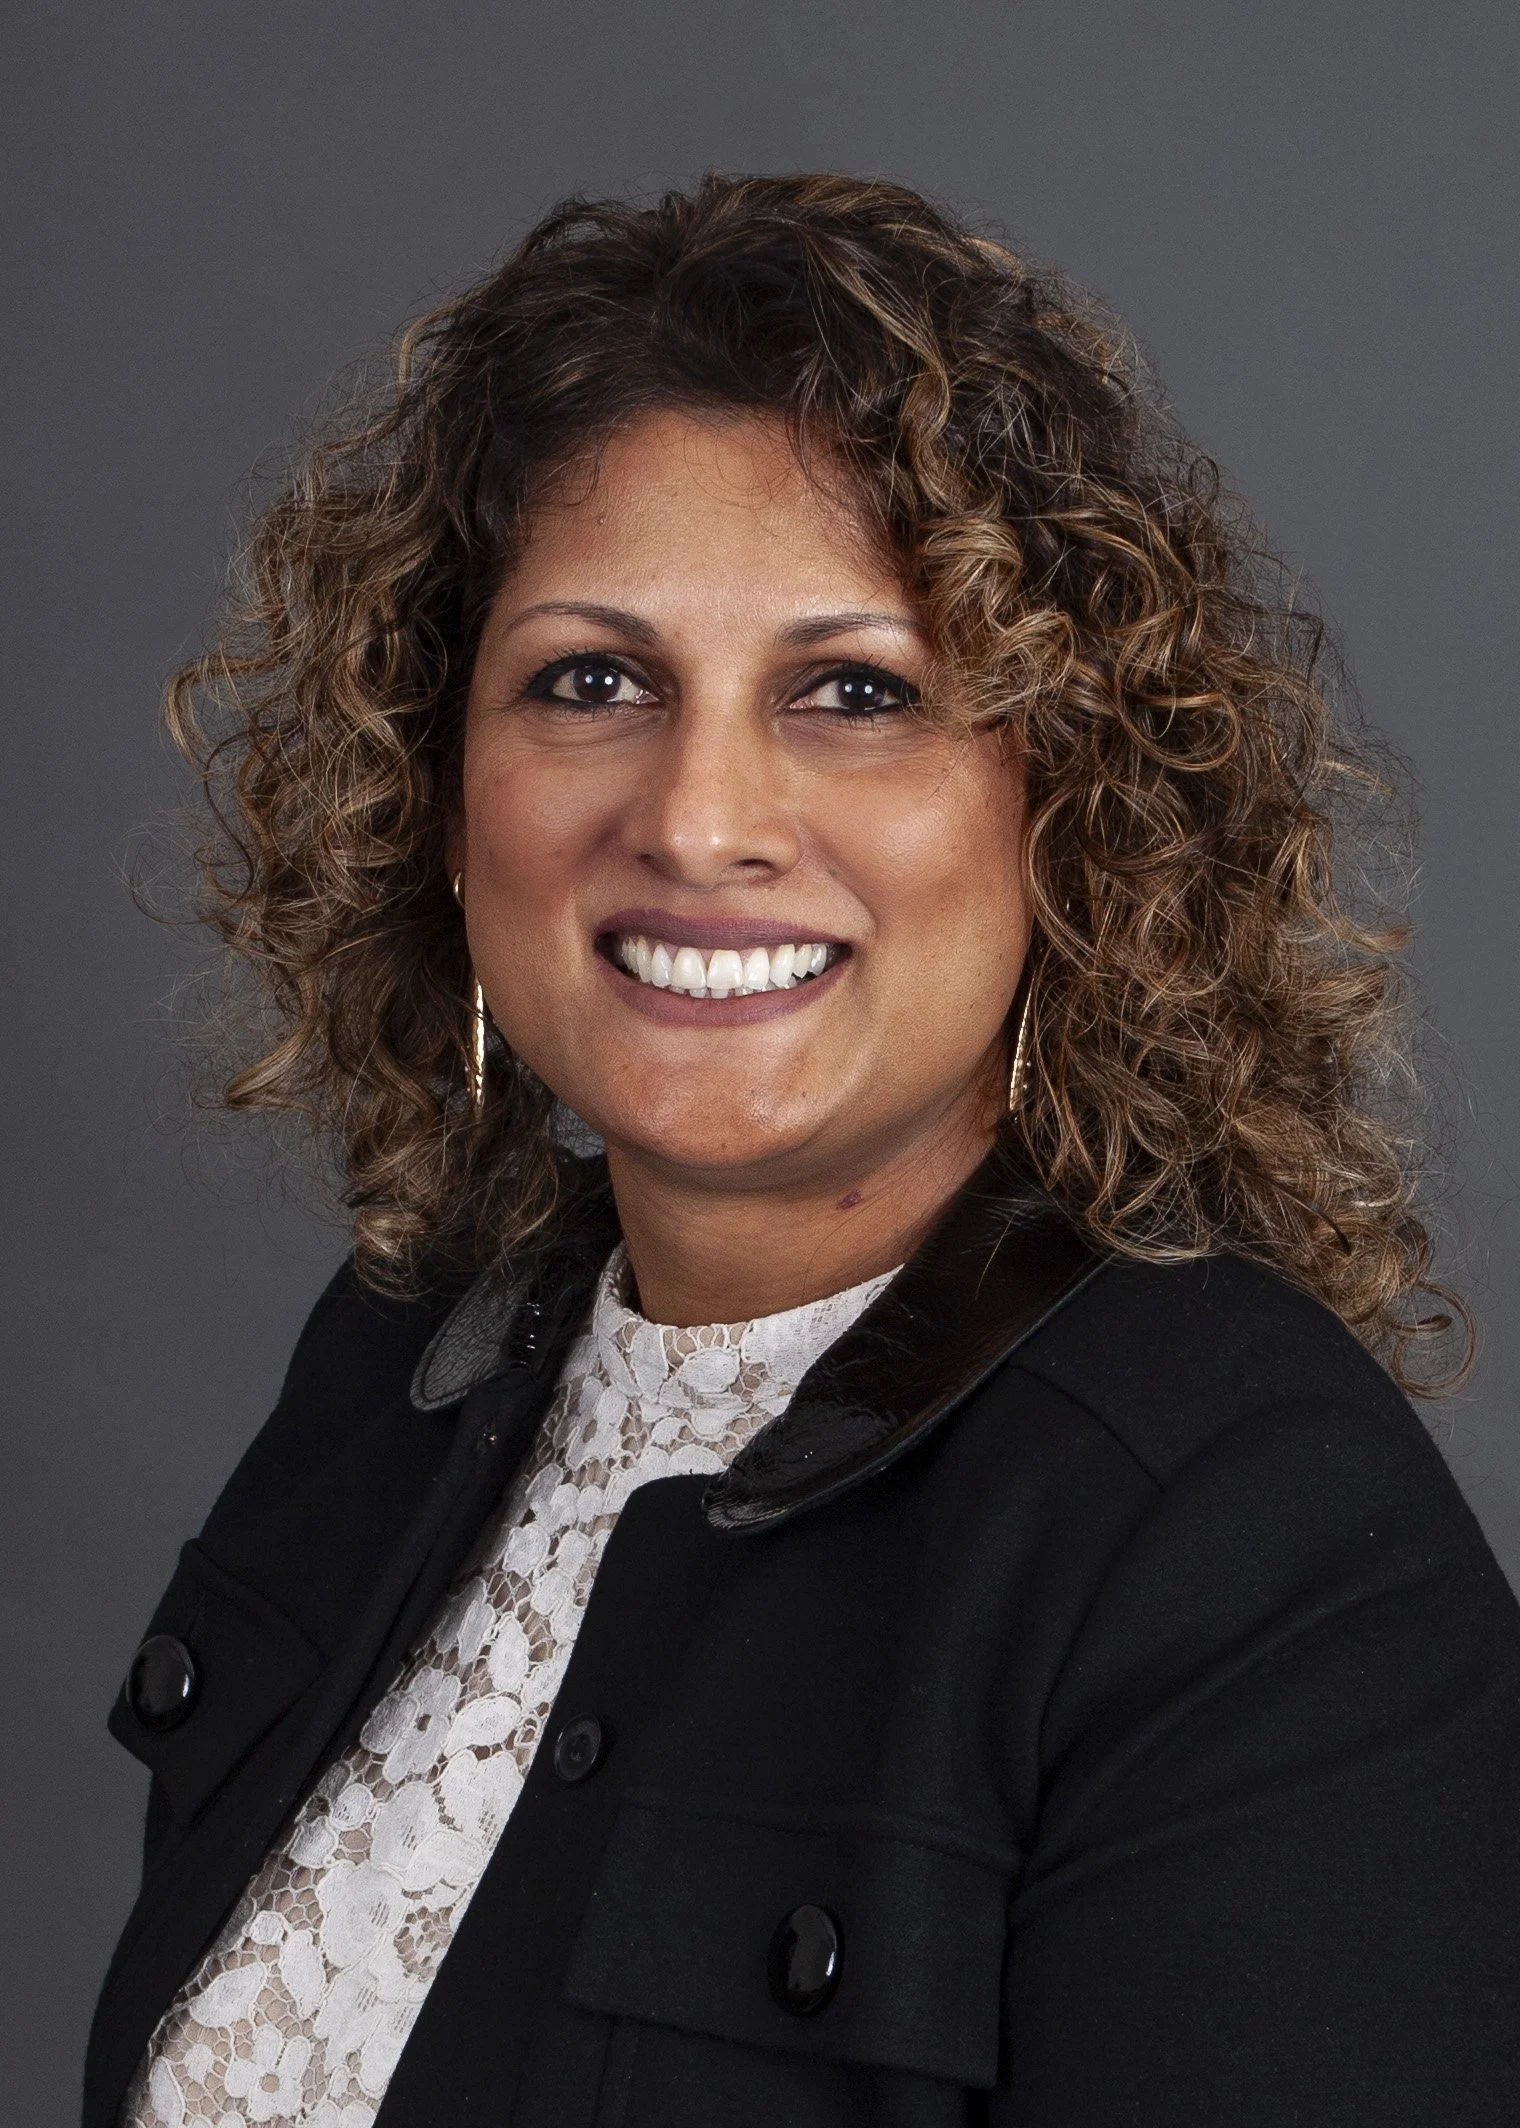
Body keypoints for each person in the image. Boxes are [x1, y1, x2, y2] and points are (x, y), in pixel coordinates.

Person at [89, 175, 1520, 2128]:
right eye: (593, 679)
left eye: (854, 691)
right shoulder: (399, 1361)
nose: (701, 817)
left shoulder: (1253, 1550)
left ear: (1067, 808)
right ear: (437, 791)